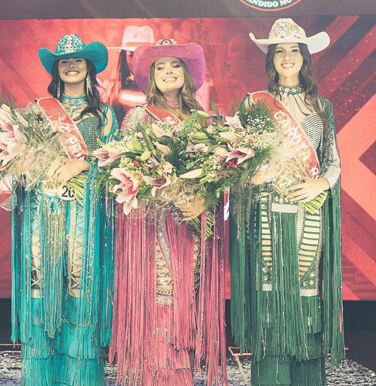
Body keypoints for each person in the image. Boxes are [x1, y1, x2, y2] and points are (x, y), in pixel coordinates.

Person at [229, 18, 344, 386]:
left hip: (309, 212)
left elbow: (333, 162)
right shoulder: (256, 104)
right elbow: (237, 159)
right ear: (271, 60)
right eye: (280, 51)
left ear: (305, 57)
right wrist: (253, 174)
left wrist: (320, 186)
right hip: (267, 212)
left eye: (295, 49)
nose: (288, 57)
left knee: (306, 297)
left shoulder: (322, 106)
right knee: (271, 297)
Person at [110, 39, 227, 386]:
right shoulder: (137, 118)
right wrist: (163, 188)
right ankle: (155, 376)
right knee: (159, 298)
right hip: (153, 224)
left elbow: (219, 177)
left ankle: (181, 375)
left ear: (188, 74)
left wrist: (205, 201)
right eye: (160, 67)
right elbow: (124, 171)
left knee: (185, 302)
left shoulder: (205, 121)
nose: (168, 72)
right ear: (150, 77)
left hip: (191, 225)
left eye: (175, 65)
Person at [11, 34, 118, 386]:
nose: (71, 65)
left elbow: (116, 161)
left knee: (78, 284)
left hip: (83, 213)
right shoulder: (36, 111)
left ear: (89, 67)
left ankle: (79, 376)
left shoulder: (104, 114)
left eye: (78, 60)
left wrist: (83, 165)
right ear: (56, 69)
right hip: (42, 210)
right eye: (64, 60)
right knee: (41, 283)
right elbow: (21, 160)